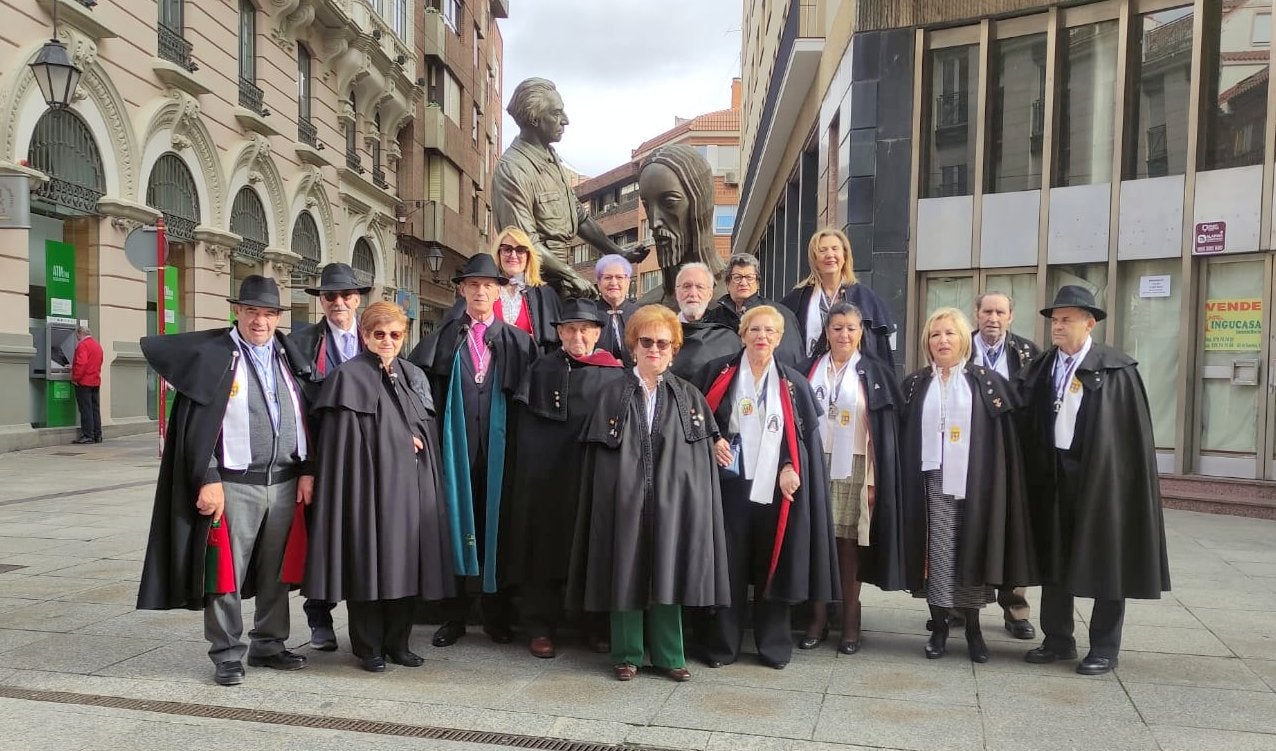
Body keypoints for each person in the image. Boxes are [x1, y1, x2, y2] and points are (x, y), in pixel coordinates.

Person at [137, 275, 314, 687]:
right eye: (253, 311)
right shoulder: (217, 357)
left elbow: (308, 415)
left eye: (269, 314)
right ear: (238, 311)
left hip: (285, 480)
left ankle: (269, 643)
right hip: (235, 483)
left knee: (276, 571)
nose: (261, 321)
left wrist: (308, 469)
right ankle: (227, 653)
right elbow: (197, 426)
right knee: (226, 573)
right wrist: (209, 476)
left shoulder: (288, 357)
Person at [570, 304, 729, 682]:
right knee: (625, 569)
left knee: (667, 571)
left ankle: (670, 655)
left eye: (662, 343)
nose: (654, 349)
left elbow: (696, 465)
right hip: (625, 502)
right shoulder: (611, 394)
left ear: (674, 349)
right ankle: (627, 654)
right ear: (633, 346)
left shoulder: (690, 398)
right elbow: (601, 462)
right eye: (646, 342)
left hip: (671, 504)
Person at [1018, 286, 1170, 676]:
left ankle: (1104, 647)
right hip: (1052, 473)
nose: (1058, 326)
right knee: (1053, 556)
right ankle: (1058, 639)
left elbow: (1129, 437)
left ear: (1089, 322)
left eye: (1067, 319)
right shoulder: (1041, 366)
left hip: (1100, 477)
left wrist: (1114, 479)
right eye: (1055, 320)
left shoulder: (1116, 370)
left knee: (1107, 559)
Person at [304, 302, 454, 672]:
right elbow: (343, 442)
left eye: (396, 335)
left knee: (406, 564)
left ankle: (398, 643)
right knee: (367, 564)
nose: (388, 341)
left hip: (409, 491)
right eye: (379, 334)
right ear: (366, 335)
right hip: (365, 489)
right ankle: (368, 646)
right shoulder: (347, 377)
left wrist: (414, 438)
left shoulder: (410, 374)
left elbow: (424, 428)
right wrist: (399, 440)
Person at [696, 306, 838, 670]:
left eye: (769, 331)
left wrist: (792, 465)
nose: (762, 336)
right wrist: (712, 441)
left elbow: (804, 438)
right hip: (728, 487)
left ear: (778, 338)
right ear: (742, 334)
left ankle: (772, 645)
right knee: (728, 566)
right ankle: (722, 645)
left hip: (776, 493)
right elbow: (697, 421)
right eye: (754, 329)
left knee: (773, 565)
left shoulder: (792, 382)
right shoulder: (718, 372)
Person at [407, 254, 538, 648]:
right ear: (461, 289)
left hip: (503, 458)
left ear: (498, 291)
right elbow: (417, 396)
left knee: (497, 532)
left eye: (488, 285)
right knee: (454, 530)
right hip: (454, 455)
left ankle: (497, 616)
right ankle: (454, 617)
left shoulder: (519, 343)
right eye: (473, 285)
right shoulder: (441, 340)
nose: (481, 291)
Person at [899, 308, 1035, 663]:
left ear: (964, 340)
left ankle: (974, 628)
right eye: (935, 335)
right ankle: (940, 625)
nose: (942, 341)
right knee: (939, 553)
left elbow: (1003, 441)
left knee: (972, 549)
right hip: (930, 482)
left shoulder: (986, 382)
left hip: (976, 483)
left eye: (950, 334)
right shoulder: (915, 384)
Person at [503, 299, 625, 659]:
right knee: (544, 550)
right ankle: (540, 627)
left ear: (598, 332)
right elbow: (525, 433)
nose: (578, 336)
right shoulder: (540, 371)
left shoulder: (616, 373)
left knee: (594, 550)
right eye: (569, 328)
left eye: (585, 328)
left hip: (593, 479)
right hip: (546, 482)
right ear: (558, 332)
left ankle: (594, 626)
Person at [800, 303, 906, 656]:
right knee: (816, 543)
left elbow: (884, 434)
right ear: (826, 332)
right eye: (837, 328)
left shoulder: (874, 372)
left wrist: (875, 481)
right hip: (814, 466)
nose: (844, 335)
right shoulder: (808, 370)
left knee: (847, 546)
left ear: (861, 332)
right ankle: (816, 618)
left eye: (851, 328)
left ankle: (850, 621)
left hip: (857, 468)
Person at [492, 77, 647, 299]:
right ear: (535, 120)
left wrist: (619, 253)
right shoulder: (513, 170)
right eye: (556, 113)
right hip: (534, 288)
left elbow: (580, 217)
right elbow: (525, 243)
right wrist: (571, 275)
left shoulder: (550, 158)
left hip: (561, 280)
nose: (565, 120)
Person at [288, 261, 373, 652]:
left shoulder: (374, 337)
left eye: (344, 295)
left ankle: (365, 621)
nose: (337, 302)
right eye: (329, 296)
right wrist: (306, 467)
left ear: (357, 299)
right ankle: (318, 615)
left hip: (368, 457)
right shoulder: (300, 342)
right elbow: (294, 409)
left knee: (362, 536)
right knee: (319, 534)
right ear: (321, 301)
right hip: (320, 454)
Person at [972, 291, 1041, 640]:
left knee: (1014, 533)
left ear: (1011, 316)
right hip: (966, 456)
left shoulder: (1028, 354)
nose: (993, 318)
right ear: (976, 313)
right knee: (965, 528)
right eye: (987, 311)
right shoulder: (957, 346)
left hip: (1013, 456)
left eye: (1000, 312)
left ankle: (1015, 610)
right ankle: (960, 605)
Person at [780, 228, 896, 367]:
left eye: (835, 249)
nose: (830, 255)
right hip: (809, 379)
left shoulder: (866, 298)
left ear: (844, 255)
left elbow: (881, 352)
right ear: (814, 259)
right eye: (822, 250)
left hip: (856, 380)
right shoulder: (797, 299)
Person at [638, 144, 724, 304]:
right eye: (647, 205)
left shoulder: (736, 303)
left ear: (700, 204)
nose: (654, 222)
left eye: (669, 203)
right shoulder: (645, 307)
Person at [704, 253, 805, 369]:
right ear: (727, 283)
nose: (743, 283)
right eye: (737, 277)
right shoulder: (713, 318)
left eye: (749, 277)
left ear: (757, 283)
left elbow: (792, 357)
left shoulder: (779, 315)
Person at [669, 263, 740, 380]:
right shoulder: (660, 334)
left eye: (700, 287)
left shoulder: (728, 339)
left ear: (710, 294)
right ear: (676, 292)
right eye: (686, 286)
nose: (693, 293)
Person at [593, 254, 638, 365]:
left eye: (619, 277)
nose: (613, 283)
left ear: (627, 282)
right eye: (607, 277)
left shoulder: (641, 314)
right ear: (599, 283)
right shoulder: (589, 314)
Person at [70, 325, 104, 444]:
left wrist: (75, 377)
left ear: (80, 333)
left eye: (77, 336)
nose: (77, 338)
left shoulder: (83, 345)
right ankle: (97, 435)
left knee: (86, 409)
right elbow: (97, 362)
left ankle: (87, 435)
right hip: (95, 380)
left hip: (84, 381)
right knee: (95, 409)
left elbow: (82, 363)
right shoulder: (97, 345)